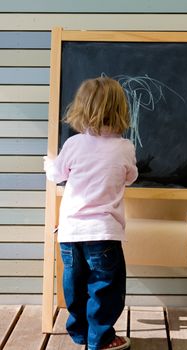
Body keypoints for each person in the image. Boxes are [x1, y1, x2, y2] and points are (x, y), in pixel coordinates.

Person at [44, 77, 138, 350]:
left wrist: (49, 164)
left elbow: (57, 174)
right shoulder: (124, 147)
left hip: (71, 232)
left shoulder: (73, 145)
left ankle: (80, 332)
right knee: (105, 286)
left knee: (75, 284)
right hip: (103, 233)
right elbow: (130, 176)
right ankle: (103, 338)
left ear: (81, 108)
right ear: (121, 110)